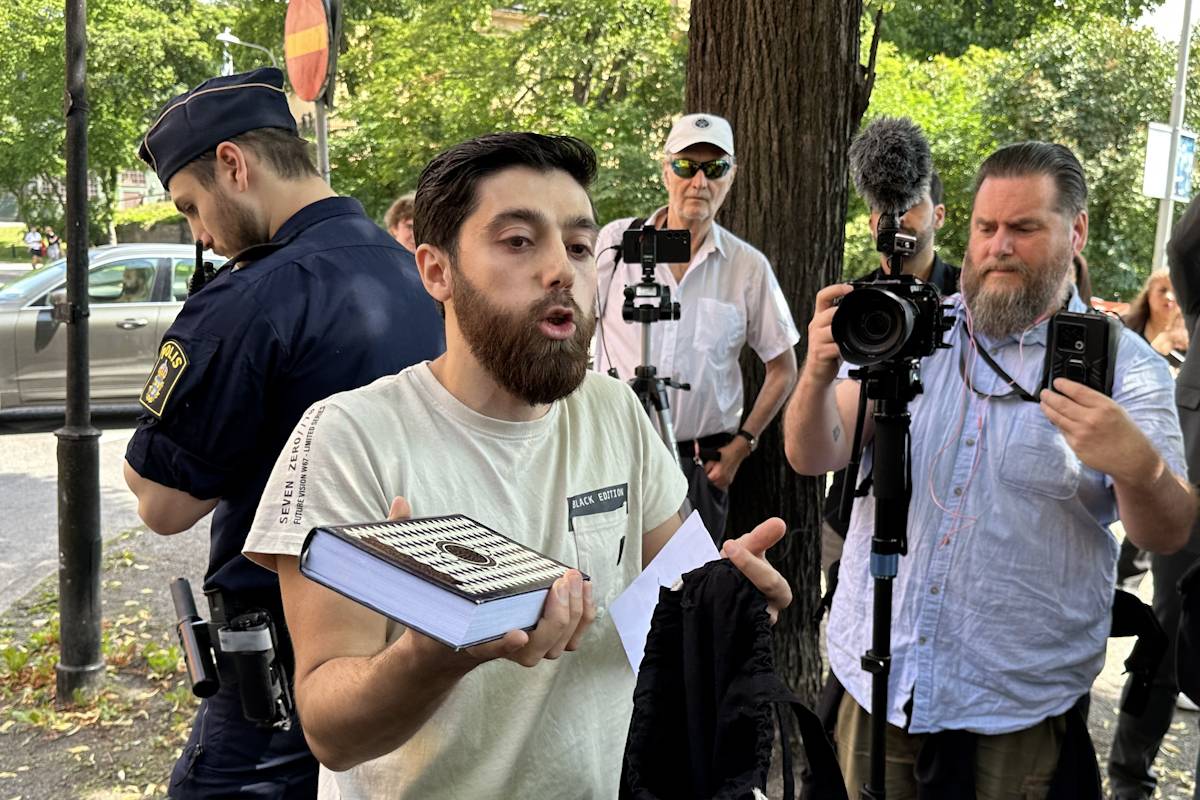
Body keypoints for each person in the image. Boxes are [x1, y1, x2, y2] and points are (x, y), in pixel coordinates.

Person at [241, 132, 793, 799]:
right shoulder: (349, 437)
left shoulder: (616, 412)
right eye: (519, 241)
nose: (561, 269)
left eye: (580, 246)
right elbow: (331, 732)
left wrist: (730, 606)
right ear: (436, 271)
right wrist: (428, 658)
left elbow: (677, 600)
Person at [784, 141, 1194, 797]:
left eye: (1023, 227)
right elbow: (812, 453)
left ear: (1076, 231)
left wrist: (1139, 466)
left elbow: (1167, 533)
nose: (999, 246)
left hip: (1012, 707)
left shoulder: (1125, 366)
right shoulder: (911, 331)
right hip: (877, 682)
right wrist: (816, 372)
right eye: (986, 227)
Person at [122, 68, 445, 799]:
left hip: (283, 668)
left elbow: (161, 505)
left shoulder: (252, 295)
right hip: (403, 637)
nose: (200, 234)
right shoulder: (414, 273)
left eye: (191, 206)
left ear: (233, 164)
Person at [592, 112, 799, 541]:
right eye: (686, 166)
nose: (699, 182)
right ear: (666, 170)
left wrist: (743, 445)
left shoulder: (747, 266)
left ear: (732, 175)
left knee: (692, 578)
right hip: (612, 454)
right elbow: (575, 333)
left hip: (700, 465)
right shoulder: (616, 243)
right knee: (607, 574)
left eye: (715, 168)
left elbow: (784, 367)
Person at [822, 153, 960, 572]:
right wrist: (815, 371)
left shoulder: (967, 299)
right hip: (851, 516)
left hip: (944, 521)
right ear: (870, 222)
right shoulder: (852, 303)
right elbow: (823, 441)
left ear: (938, 215)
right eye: (884, 207)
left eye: (910, 204)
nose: (896, 217)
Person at [1106, 195, 1200, 800]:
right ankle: (1128, 776)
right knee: (1167, 632)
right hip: (1195, 479)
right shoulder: (1195, 291)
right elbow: (1186, 244)